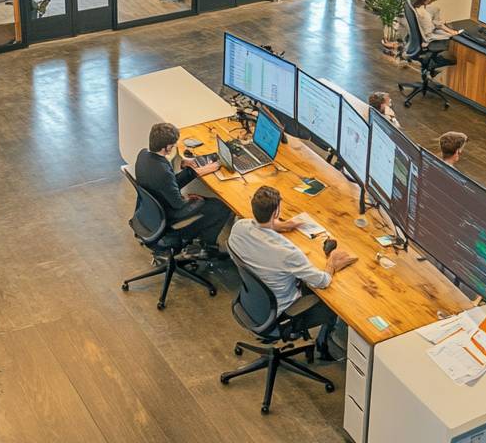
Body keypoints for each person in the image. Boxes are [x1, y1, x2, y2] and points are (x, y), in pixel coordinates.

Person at [228, 185, 355, 359]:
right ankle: (324, 347)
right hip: (279, 313)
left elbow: (259, 230)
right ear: (276, 212)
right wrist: (331, 262)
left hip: (251, 303)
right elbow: (323, 281)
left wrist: (280, 226)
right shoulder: (288, 253)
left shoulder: (238, 227)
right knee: (333, 301)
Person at [134, 122, 228, 253]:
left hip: (152, 206)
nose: (173, 148)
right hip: (168, 210)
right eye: (172, 146)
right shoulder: (163, 172)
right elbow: (178, 204)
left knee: (209, 203)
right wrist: (192, 199)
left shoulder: (143, 154)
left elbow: (167, 182)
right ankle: (192, 240)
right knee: (220, 207)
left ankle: (198, 239)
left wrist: (188, 168)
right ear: (166, 147)